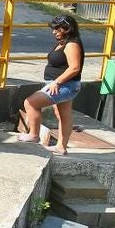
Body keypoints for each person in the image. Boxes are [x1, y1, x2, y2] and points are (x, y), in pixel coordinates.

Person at [18, 15, 85, 155]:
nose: (54, 31)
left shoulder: (72, 44)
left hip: (65, 85)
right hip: (61, 84)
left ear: (67, 29)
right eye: (53, 28)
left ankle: (34, 135)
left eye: (57, 29)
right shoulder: (63, 42)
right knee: (63, 115)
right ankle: (61, 147)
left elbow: (74, 68)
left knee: (30, 103)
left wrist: (57, 82)